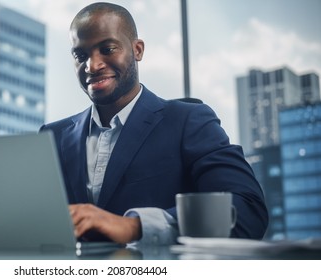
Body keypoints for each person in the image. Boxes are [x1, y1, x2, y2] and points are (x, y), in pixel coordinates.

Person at [40, 2, 268, 245]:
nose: (92, 65)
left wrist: (135, 226)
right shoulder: (51, 137)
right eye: (80, 55)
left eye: (107, 49)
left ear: (137, 50)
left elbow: (247, 210)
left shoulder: (189, 121)